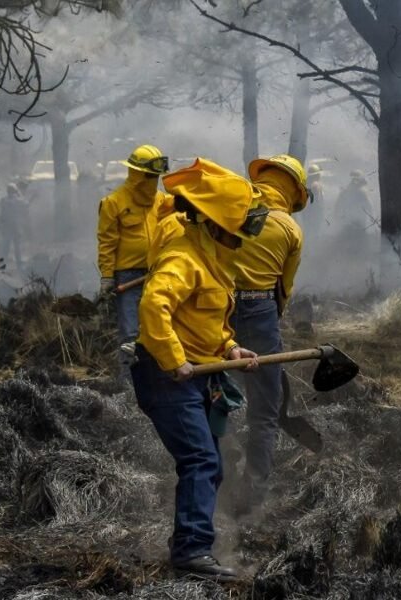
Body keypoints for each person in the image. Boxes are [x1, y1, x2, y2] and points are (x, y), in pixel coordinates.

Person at [131, 158, 269, 580]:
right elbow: (153, 306)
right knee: (200, 460)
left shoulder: (210, 257)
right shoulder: (183, 258)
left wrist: (229, 348)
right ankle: (192, 553)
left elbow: (203, 321)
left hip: (198, 373)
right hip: (166, 376)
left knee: (209, 463)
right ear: (216, 224)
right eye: (238, 228)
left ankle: (188, 545)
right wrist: (175, 361)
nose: (242, 237)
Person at [229, 154, 307, 517]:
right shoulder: (290, 229)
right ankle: (254, 495)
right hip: (260, 310)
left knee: (216, 393)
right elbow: (283, 290)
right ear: (293, 191)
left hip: (217, 308)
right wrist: (269, 321)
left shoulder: (230, 211)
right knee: (263, 412)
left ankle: (222, 459)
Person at [96, 145, 172, 347]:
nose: (154, 180)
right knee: (131, 333)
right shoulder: (113, 203)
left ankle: (154, 368)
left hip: (157, 273)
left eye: (156, 176)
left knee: (159, 329)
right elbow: (107, 242)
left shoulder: (163, 201)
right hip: (127, 277)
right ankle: (128, 368)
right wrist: (107, 276)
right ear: (137, 174)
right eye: (150, 175)